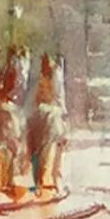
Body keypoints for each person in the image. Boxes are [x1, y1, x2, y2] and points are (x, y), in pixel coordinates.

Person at [27, 53, 69, 196]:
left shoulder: (42, 80)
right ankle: (54, 182)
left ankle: (40, 184)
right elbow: (57, 98)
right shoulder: (52, 78)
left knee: (40, 151)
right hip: (51, 117)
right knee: (54, 149)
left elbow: (37, 100)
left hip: (43, 115)